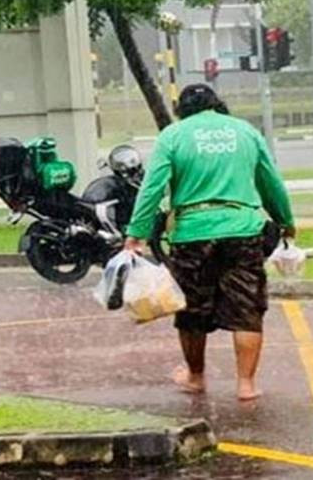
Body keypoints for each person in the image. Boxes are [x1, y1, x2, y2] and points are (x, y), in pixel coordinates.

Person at [124, 83, 294, 401]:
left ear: (181, 110)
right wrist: (285, 221)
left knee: (192, 310)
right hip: (242, 230)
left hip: (192, 233)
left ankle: (196, 376)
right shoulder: (244, 131)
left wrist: (136, 233)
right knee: (247, 308)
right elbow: (270, 181)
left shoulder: (173, 136)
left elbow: (152, 187)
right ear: (217, 104)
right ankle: (246, 384)